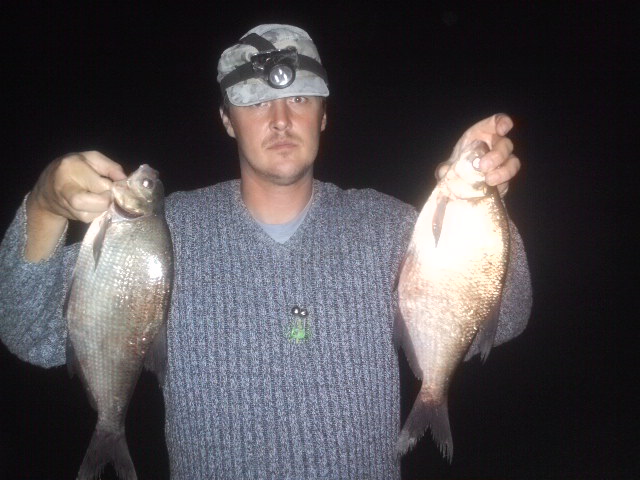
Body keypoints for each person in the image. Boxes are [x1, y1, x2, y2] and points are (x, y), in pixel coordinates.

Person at [0, 24, 532, 479]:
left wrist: (484, 207)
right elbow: (30, 332)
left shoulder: (388, 227)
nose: (280, 119)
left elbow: (506, 315)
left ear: (323, 115)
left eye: (300, 99)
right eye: (255, 102)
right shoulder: (160, 232)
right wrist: (45, 206)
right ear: (226, 120)